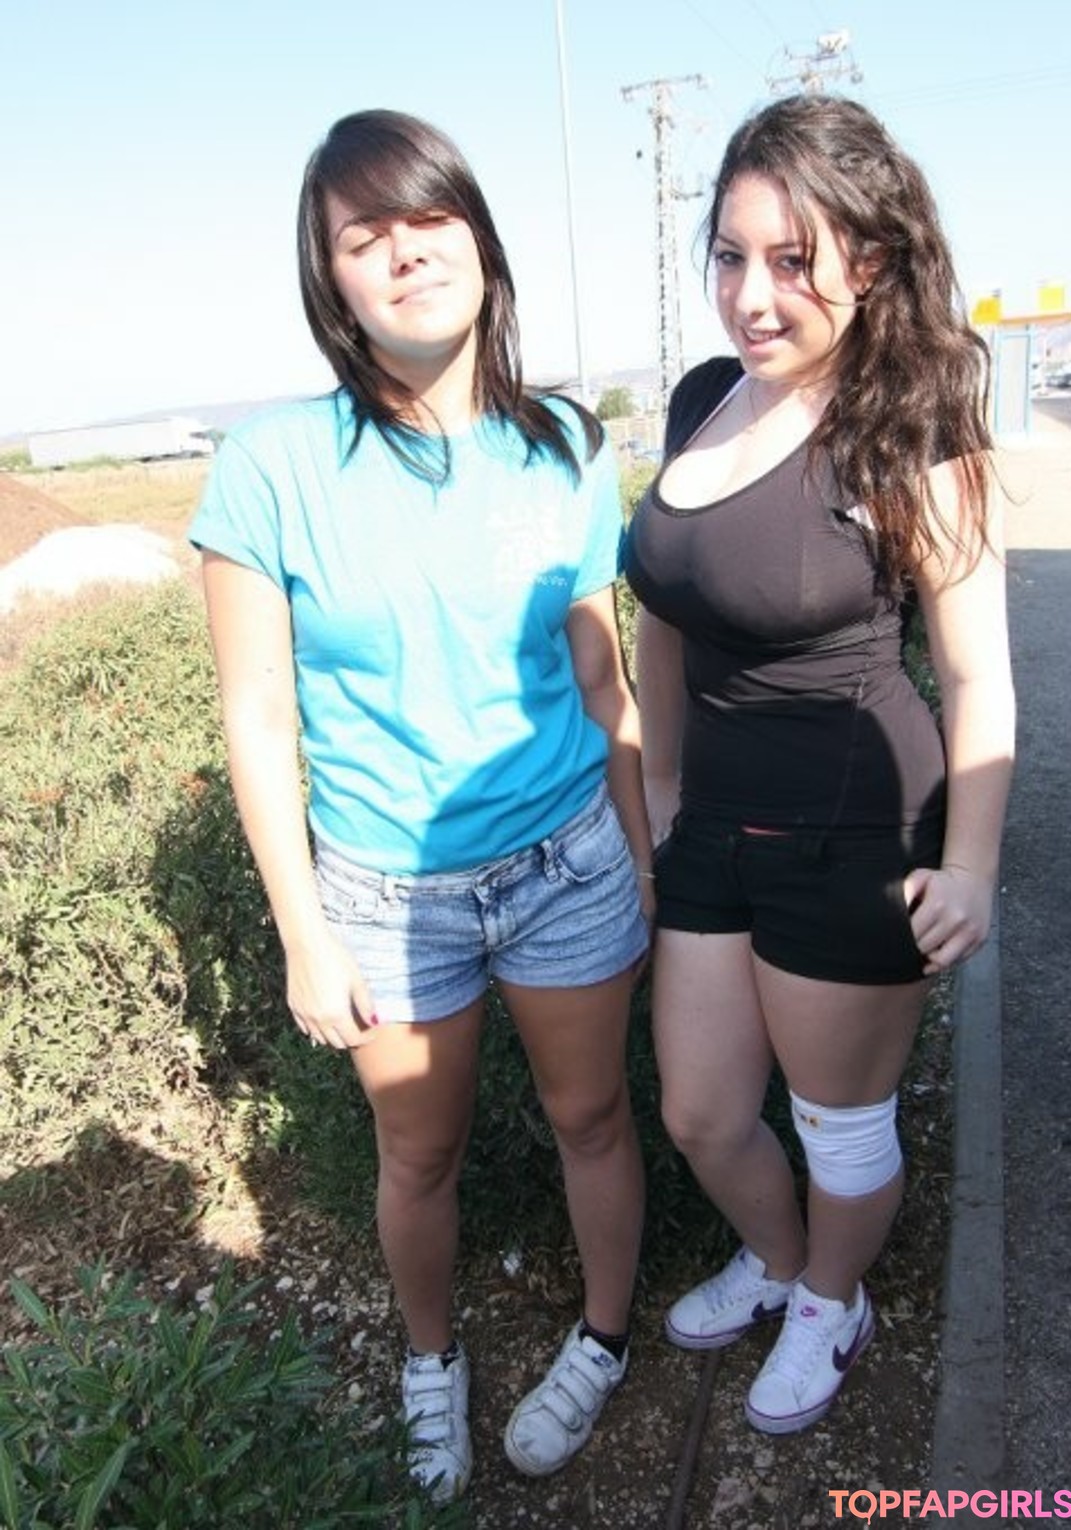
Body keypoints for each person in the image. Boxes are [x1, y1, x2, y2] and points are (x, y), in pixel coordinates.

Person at [190, 109, 654, 1501]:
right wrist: (301, 934)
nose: (404, 253)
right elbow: (258, 716)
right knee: (418, 1150)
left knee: (594, 1117)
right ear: (331, 281)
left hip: (569, 860)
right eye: (363, 236)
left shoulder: (566, 444)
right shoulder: (271, 468)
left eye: (429, 217)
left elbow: (601, 669)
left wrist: (643, 853)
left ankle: (605, 1336)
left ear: (480, 241)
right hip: (387, 897)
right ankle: (431, 1358)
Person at [623, 93, 1015, 1435]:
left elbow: (975, 672)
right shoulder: (699, 401)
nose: (752, 294)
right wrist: (661, 791)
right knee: (701, 1111)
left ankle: (833, 1301)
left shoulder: (909, 418)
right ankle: (783, 1262)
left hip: (854, 831)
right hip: (714, 826)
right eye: (732, 255)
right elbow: (666, 609)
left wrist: (971, 865)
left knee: (837, 1122)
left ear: (871, 256)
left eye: (794, 260)